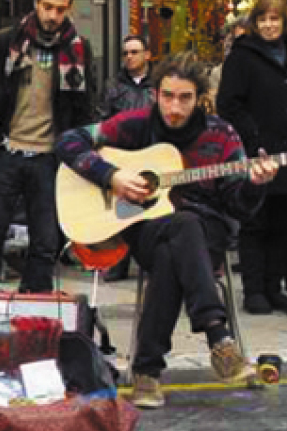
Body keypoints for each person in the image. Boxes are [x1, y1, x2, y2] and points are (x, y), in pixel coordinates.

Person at [56, 53, 273, 408]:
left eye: (185, 98)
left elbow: (240, 207)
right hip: (147, 228)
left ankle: (147, 372)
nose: (175, 106)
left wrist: (256, 184)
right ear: (156, 93)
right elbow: (68, 142)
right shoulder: (135, 124)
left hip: (208, 235)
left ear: (199, 98)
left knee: (178, 241)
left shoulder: (221, 135)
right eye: (168, 95)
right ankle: (218, 338)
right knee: (176, 233)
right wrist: (111, 175)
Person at [0, 0, 98, 317]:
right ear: (36, 2)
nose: (53, 16)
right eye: (47, 6)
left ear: (69, 9)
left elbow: (86, 108)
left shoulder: (79, 49)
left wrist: (85, 156)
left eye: (61, 9)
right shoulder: (6, 40)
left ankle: (34, 310)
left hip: (50, 159)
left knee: (45, 243)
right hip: (6, 151)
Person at [217, 0, 287, 316]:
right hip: (255, 153)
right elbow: (228, 104)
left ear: (285, 22)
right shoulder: (242, 57)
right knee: (255, 221)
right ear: (255, 23)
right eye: (263, 20)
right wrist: (253, 138)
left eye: (275, 20)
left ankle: (274, 288)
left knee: (285, 220)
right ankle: (253, 291)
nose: (269, 26)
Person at [99, 35, 155, 282]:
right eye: (126, 53)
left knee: (151, 207)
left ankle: (151, 260)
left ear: (147, 54)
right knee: (121, 210)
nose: (129, 57)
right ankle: (119, 262)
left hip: (152, 151)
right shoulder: (113, 85)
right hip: (122, 152)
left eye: (134, 52)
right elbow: (102, 117)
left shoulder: (158, 84)